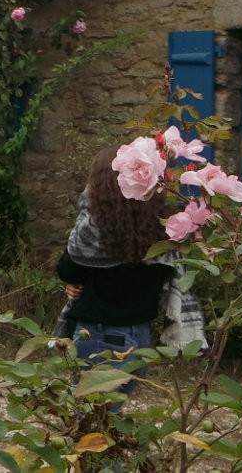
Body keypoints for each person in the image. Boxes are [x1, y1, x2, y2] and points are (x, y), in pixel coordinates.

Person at [55, 148, 179, 401]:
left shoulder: (95, 227)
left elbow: (68, 268)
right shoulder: (163, 228)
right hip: (141, 336)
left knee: (90, 422)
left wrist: (78, 281)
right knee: (107, 420)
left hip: (100, 335)